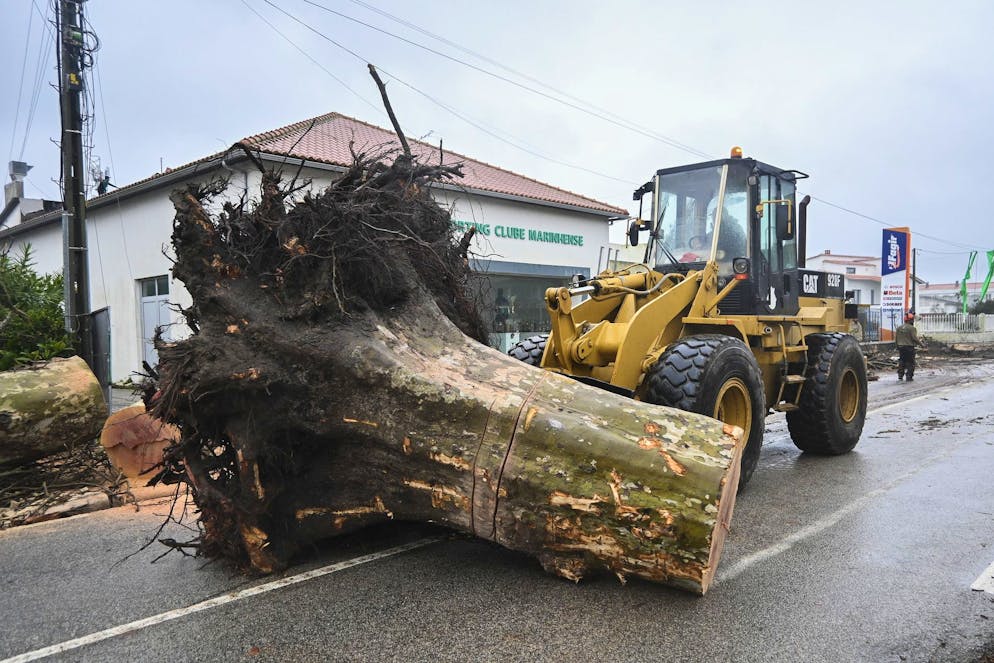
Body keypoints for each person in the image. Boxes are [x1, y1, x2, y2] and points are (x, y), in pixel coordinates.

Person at [896, 313, 926, 381]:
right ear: (910, 320)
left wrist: (897, 346)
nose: (913, 321)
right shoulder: (912, 328)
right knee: (910, 362)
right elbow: (915, 338)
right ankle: (909, 376)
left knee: (902, 361)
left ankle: (900, 375)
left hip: (901, 347)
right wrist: (922, 345)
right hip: (909, 348)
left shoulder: (899, 328)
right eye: (912, 320)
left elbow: (896, 338)